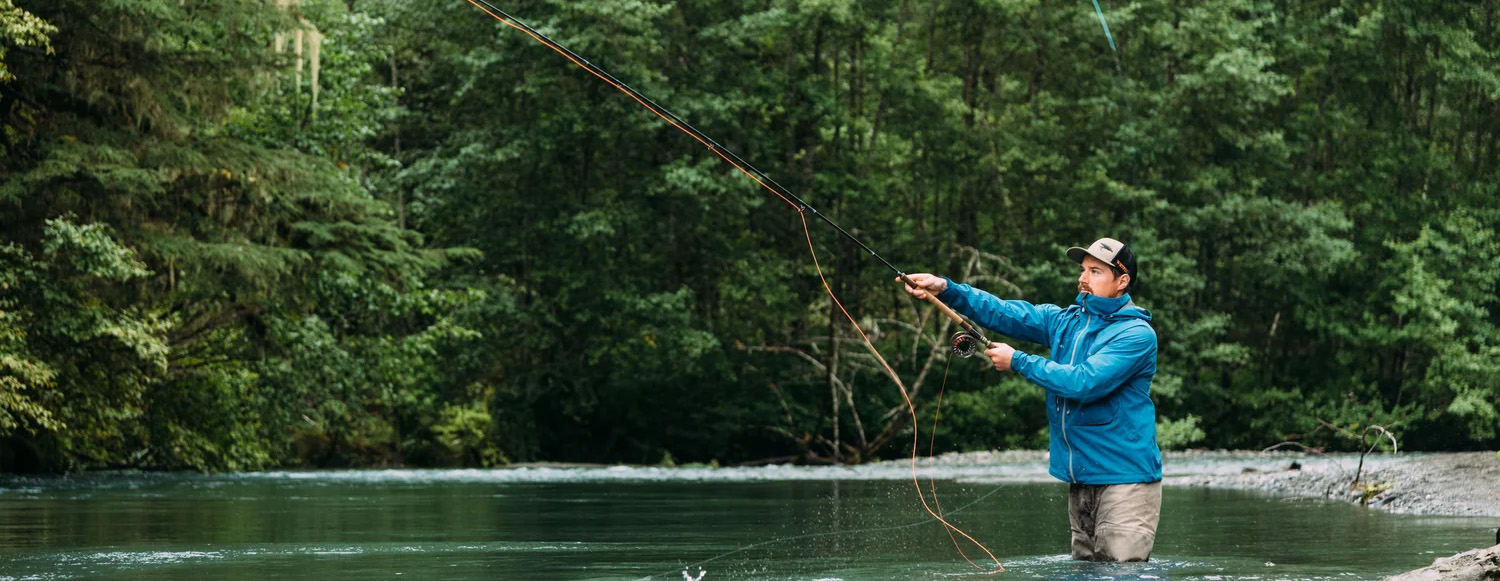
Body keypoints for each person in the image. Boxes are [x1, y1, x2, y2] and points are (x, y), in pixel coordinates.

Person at [901, 238, 1162, 562]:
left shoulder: (1136, 335)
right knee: (1086, 574)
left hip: (1127, 482)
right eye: (1083, 270)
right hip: (1081, 479)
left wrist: (1019, 361)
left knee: (1121, 574)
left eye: (1095, 271)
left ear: (1122, 282)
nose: (1083, 278)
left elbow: (1084, 382)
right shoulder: (1065, 321)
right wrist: (947, 289)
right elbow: (1005, 313)